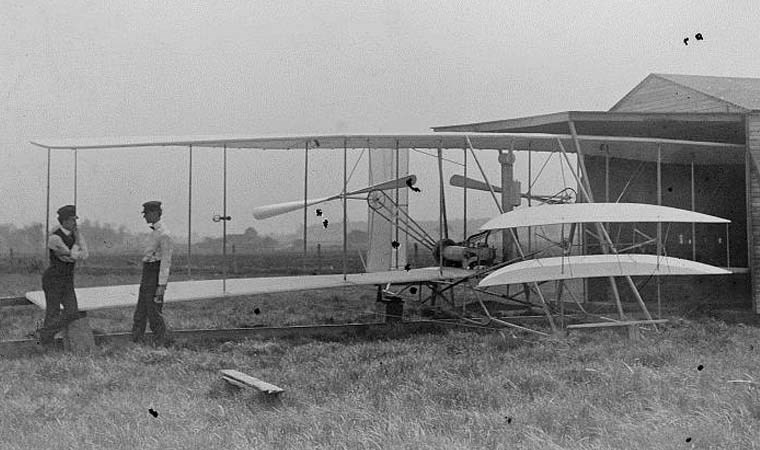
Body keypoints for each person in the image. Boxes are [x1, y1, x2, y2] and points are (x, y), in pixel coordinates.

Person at [39, 204, 89, 344]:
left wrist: (72, 251)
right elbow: (73, 255)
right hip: (53, 279)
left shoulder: (77, 236)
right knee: (52, 312)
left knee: (72, 312)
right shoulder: (54, 238)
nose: (75, 223)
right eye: (73, 220)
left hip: (67, 279)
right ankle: (46, 343)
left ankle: (44, 334)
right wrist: (74, 250)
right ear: (65, 221)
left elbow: (84, 254)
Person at [132, 200, 173, 345]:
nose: (145, 217)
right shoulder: (154, 232)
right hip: (147, 272)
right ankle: (136, 341)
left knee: (154, 311)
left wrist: (161, 285)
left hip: (155, 274)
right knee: (141, 310)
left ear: (155, 213)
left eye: (147, 213)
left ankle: (161, 342)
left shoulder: (164, 234)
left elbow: (166, 262)